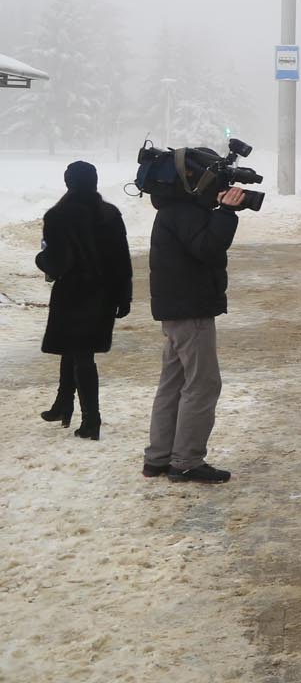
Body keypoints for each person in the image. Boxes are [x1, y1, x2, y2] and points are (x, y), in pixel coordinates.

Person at [142, 148, 251, 483]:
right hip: (191, 309)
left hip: (176, 308)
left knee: (173, 383)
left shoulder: (175, 209)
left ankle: (159, 457)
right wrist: (228, 214)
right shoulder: (185, 212)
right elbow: (207, 248)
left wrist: (218, 209)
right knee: (203, 384)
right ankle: (187, 460)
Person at [34, 161, 132, 441]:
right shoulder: (109, 214)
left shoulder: (58, 216)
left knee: (81, 356)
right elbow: (122, 259)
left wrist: (41, 259)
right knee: (75, 350)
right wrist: (124, 296)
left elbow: (57, 263)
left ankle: (92, 419)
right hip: (104, 293)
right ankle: (63, 404)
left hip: (73, 293)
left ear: (68, 183)